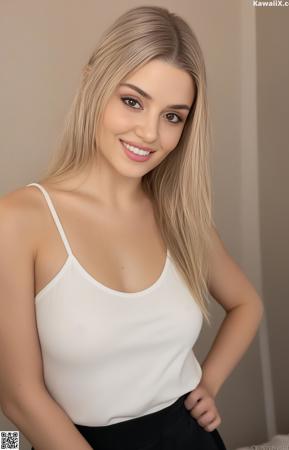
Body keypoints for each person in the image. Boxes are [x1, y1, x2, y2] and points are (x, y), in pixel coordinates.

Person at [0, 5, 264, 450]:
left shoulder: (177, 214)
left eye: (173, 116)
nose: (148, 132)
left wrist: (209, 383)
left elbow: (247, 304)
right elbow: (21, 399)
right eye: (132, 101)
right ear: (91, 83)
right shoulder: (18, 221)